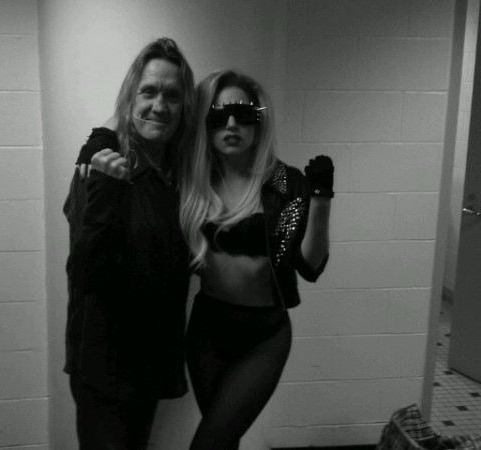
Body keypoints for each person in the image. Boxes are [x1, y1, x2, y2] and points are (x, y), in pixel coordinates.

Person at [178, 70, 333, 450]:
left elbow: (310, 267)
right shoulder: (192, 180)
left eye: (243, 114)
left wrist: (321, 199)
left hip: (263, 337)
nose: (232, 124)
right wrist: (100, 143)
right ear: (204, 123)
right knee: (223, 440)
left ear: (258, 122)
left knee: (209, 444)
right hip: (207, 331)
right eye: (218, 115)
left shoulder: (286, 183)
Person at [62, 37, 196, 450]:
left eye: (172, 95)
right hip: (105, 366)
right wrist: (105, 190)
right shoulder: (102, 163)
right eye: (148, 91)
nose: (159, 105)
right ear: (130, 97)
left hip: (149, 364)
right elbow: (84, 272)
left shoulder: (176, 175)